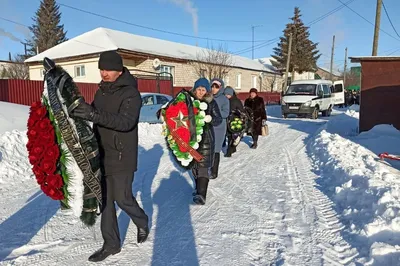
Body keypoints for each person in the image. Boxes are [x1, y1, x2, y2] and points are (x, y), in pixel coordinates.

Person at [69, 51, 149, 262]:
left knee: (123, 199)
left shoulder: (131, 93)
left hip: (123, 155)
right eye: (101, 69)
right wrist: (79, 112)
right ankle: (111, 244)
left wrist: (93, 114)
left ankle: (141, 221)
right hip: (101, 153)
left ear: (119, 70)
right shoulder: (101, 91)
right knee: (105, 200)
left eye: (108, 69)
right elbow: (95, 114)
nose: (104, 73)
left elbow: (125, 122)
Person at [189, 78, 222, 204]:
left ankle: (201, 194)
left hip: (206, 139)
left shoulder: (211, 103)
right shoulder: (189, 101)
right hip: (190, 139)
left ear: (207, 91)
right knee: (193, 166)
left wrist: (210, 119)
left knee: (202, 166)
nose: (201, 92)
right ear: (195, 90)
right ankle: (198, 189)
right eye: (199, 89)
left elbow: (218, 119)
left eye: (203, 90)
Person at [209, 78, 230, 179]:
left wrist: (215, 112)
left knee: (216, 149)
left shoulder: (224, 99)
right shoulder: (208, 97)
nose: (214, 89)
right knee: (209, 148)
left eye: (216, 87)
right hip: (209, 125)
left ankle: (214, 172)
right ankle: (209, 167)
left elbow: (226, 113)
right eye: (212, 86)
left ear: (220, 88)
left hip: (219, 127)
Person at [223, 86, 244, 157]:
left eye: (228, 94)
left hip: (234, 121)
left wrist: (237, 112)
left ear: (231, 94)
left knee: (231, 136)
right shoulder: (225, 100)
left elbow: (241, 111)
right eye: (225, 94)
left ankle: (229, 152)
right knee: (229, 135)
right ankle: (233, 148)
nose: (226, 96)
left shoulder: (236, 101)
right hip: (227, 120)